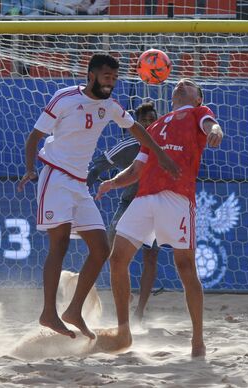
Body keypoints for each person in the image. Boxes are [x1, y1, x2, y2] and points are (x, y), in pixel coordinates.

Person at [17, 53, 180, 340]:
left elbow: (136, 128)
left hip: (79, 184)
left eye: (115, 78)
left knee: (102, 249)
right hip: (55, 177)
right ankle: (49, 313)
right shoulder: (64, 98)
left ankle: (74, 310)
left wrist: (161, 155)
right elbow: (34, 137)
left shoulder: (110, 105)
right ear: (91, 75)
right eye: (107, 76)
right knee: (60, 244)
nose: (111, 82)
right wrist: (30, 169)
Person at [95, 78, 224, 357]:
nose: (181, 84)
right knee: (117, 259)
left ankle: (197, 341)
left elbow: (210, 124)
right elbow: (136, 168)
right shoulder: (155, 125)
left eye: (188, 84)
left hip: (176, 198)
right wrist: (112, 183)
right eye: (178, 83)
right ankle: (123, 330)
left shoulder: (198, 113)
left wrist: (216, 129)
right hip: (143, 198)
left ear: (198, 98)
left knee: (185, 266)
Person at [86, 101, 160, 324]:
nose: (148, 124)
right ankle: (124, 294)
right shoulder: (127, 145)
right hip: (129, 202)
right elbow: (98, 165)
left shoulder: (164, 143)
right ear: (134, 124)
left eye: (152, 119)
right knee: (112, 251)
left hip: (156, 205)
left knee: (151, 256)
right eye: (143, 120)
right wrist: (85, 185)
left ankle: (140, 310)